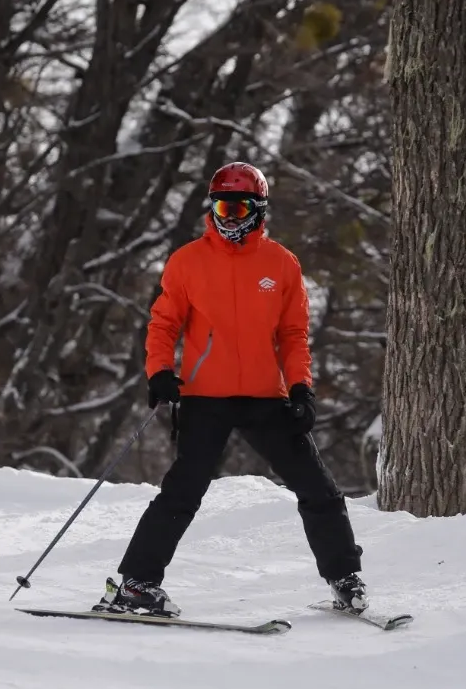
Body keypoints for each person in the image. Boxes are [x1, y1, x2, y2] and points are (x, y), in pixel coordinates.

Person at [102, 161, 366, 617]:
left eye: (236, 206)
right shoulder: (188, 261)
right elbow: (164, 324)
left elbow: (293, 335)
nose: (227, 216)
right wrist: (160, 372)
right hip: (205, 397)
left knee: (317, 487)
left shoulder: (281, 264)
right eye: (220, 205)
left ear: (257, 209)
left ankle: (344, 577)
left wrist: (302, 388)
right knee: (183, 491)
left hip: (267, 397)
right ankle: (137, 584)